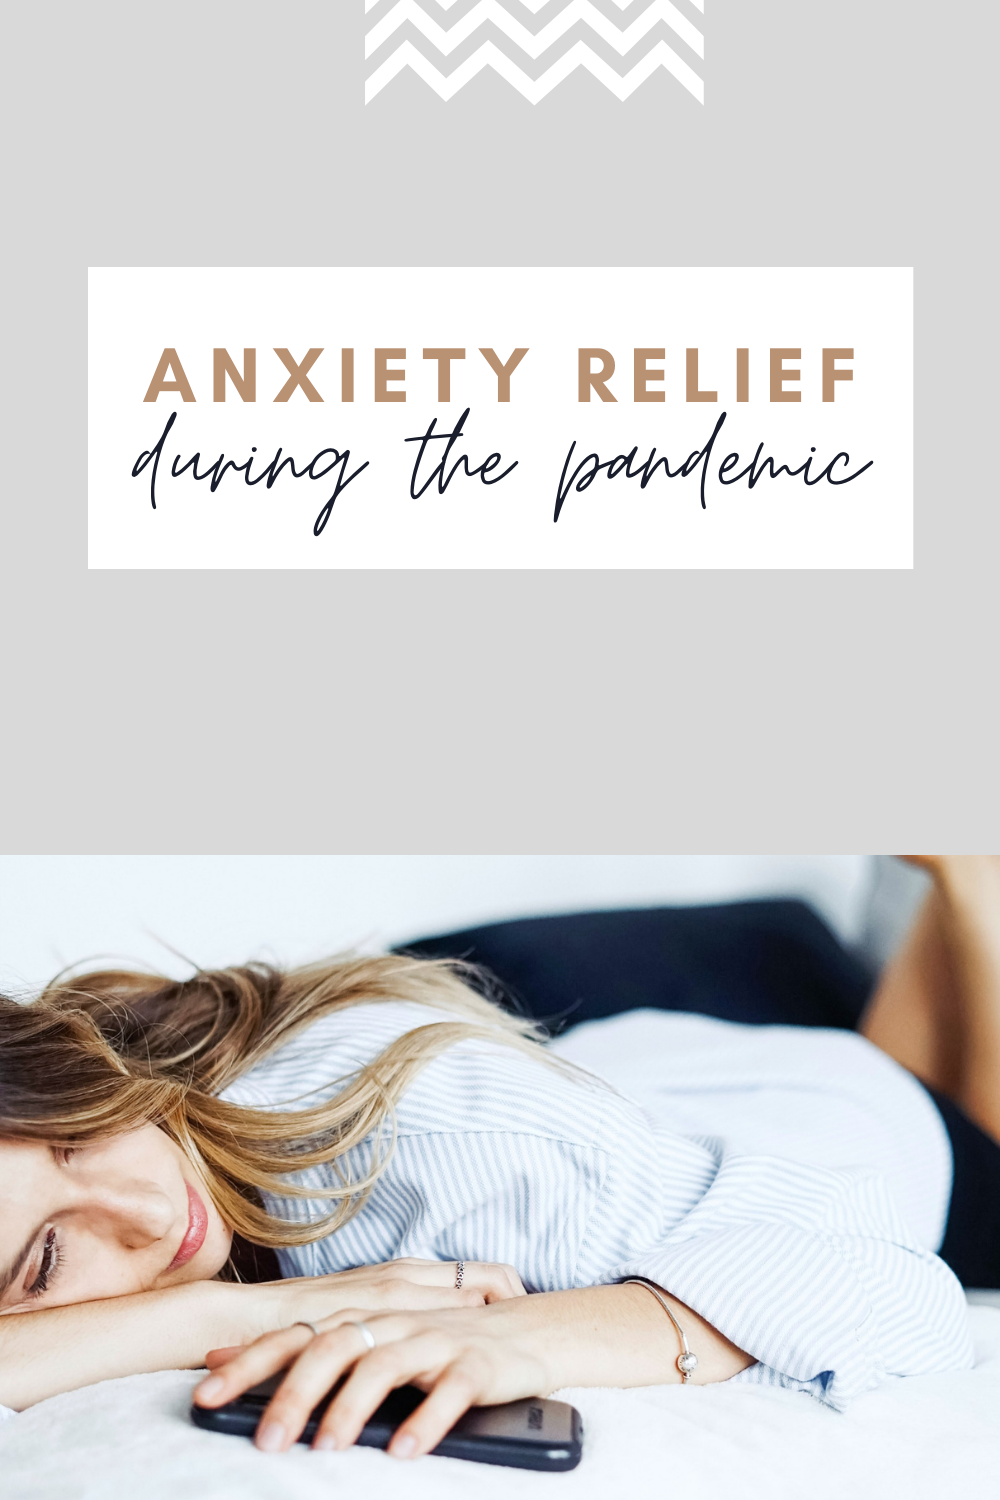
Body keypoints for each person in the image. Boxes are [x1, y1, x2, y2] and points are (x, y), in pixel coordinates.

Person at [0, 856, 997, 1463]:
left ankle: (968, 887)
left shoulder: (435, 1163)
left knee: (947, 1092)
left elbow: (896, 1287)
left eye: (81, 1132)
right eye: (45, 1258)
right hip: (629, 1067)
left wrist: (547, 1337)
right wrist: (224, 1313)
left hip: (825, 1116)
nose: (145, 1201)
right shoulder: (175, 1120)